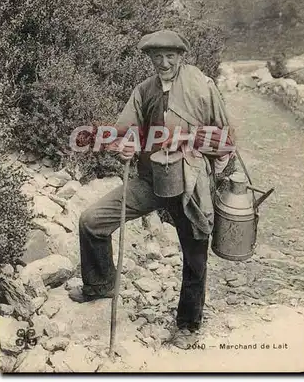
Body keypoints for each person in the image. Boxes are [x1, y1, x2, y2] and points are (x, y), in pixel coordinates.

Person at [69, 30, 235, 349]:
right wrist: (124, 146)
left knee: (195, 253)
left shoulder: (203, 87)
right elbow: (123, 131)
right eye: (156, 57)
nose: (163, 62)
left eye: (170, 56)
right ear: (149, 59)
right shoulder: (144, 91)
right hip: (149, 181)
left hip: (189, 182)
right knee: (92, 221)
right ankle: (101, 284)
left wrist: (196, 150)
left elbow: (225, 140)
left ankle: (188, 324)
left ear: (181, 56)